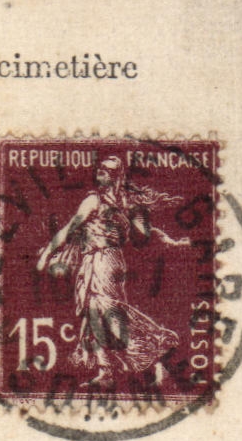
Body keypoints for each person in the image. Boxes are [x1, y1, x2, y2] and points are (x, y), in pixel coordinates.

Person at [36, 155, 191, 388]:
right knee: (93, 313)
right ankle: (105, 371)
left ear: (116, 176)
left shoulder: (113, 204)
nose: (101, 173)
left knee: (111, 314)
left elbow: (147, 231)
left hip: (106, 261)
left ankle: (158, 360)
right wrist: (48, 251)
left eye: (107, 170)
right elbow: (72, 226)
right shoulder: (102, 202)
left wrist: (172, 241)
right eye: (100, 169)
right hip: (93, 261)